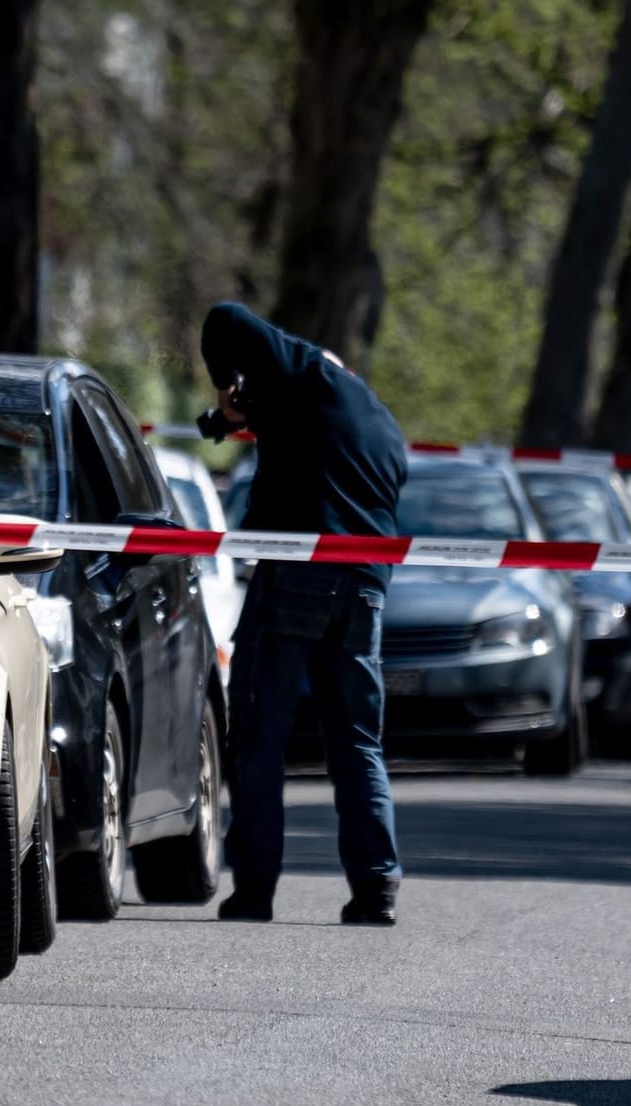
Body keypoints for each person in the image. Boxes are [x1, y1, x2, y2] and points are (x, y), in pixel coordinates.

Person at [199, 302, 409, 925]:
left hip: (298, 577)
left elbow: (225, 320)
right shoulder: (380, 424)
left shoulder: (308, 371)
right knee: (357, 743)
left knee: (260, 737)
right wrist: (239, 417)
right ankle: (376, 889)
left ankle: (255, 888)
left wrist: (226, 384)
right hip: (366, 591)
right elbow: (312, 451)